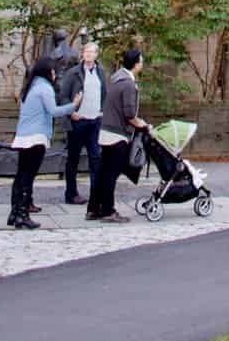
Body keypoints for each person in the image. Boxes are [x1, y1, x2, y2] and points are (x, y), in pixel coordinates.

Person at [9, 57, 80, 229]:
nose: (55, 74)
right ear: (47, 72)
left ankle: (15, 212)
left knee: (20, 176)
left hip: (23, 136)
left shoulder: (30, 86)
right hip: (36, 137)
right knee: (28, 177)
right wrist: (74, 105)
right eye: (53, 71)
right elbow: (54, 111)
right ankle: (23, 215)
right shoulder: (44, 88)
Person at [89, 47, 147, 222]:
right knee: (110, 174)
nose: (142, 63)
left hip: (106, 131)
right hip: (117, 134)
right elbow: (129, 113)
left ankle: (93, 209)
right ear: (136, 64)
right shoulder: (128, 84)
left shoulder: (115, 80)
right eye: (142, 61)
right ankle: (108, 211)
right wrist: (142, 124)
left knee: (102, 172)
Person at [60, 40, 106, 206]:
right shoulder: (74, 73)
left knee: (95, 157)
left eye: (92, 52)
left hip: (95, 121)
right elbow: (63, 94)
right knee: (73, 158)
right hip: (78, 121)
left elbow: (104, 92)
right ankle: (71, 193)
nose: (89, 55)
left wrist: (102, 110)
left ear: (96, 54)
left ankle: (96, 193)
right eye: (86, 52)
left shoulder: (100, 71)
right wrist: (71, 112)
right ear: (82, 54)